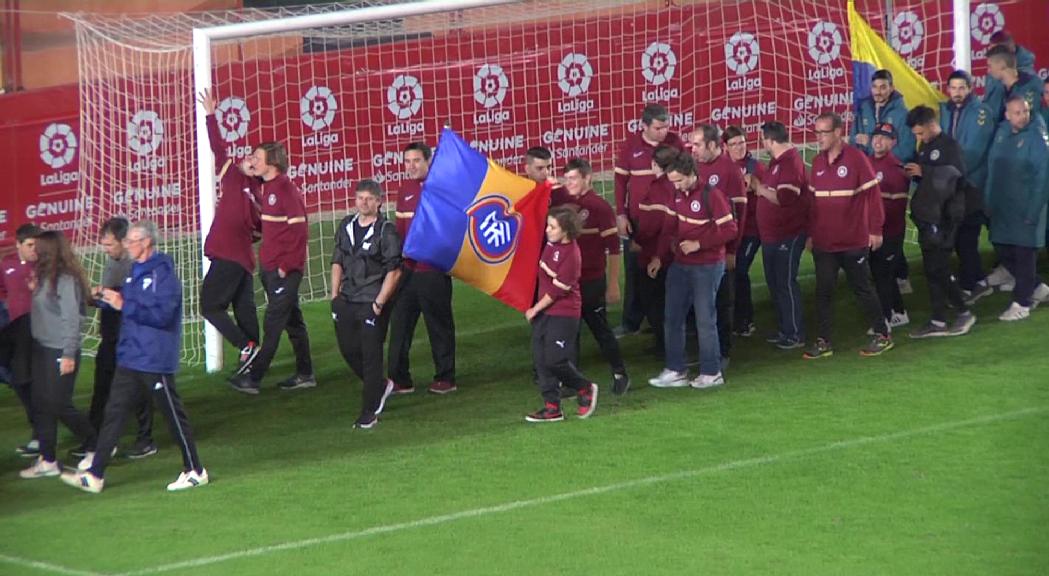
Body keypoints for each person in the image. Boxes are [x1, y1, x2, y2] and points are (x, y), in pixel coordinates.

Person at [61, 221, 208, 493]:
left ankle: (195, 470)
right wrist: (103, 298)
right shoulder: (134, 272)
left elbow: (161, 316)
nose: (127, 244)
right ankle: (95, 474)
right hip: (131, 356)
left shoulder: (164, 274)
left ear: (147, 243)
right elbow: (128, 306)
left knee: (174, 415)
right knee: (113, 413)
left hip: (154, 357)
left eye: (132, 240)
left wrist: (124, 304)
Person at [804, 112, 893, 359]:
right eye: (817, 132)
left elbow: (873, 196)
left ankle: (882, 334)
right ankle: (823, 341)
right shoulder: (817, 162)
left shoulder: (856, 159)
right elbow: (812, 202)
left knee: (862, 288)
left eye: (823, 132)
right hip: (824, 243)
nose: (818, 137)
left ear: (837, 133)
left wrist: (875, 230)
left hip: (853, 240)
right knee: (823, 291)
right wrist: (811, 233)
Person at [229, 141, 314, 394]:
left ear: (273, 162)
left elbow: (300, 232)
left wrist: (286, 266)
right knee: (293, 322)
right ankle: (305, 373)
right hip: (270, 268)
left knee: (273, 322)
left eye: (257, 156)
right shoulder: (267, 187)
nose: (252, 160)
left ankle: (254, 377)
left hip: (283, 271)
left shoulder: (285, 190)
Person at [647, 154, 737, 389]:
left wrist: (700, 244)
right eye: (672, 181)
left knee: (705, 319)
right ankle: (676, 369)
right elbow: (669, 228)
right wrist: (659, 256)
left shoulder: (712, 195)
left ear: (691, 175)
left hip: (707, 266)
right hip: (681, 265)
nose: (675, 185)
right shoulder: (676, 194)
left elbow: (729, 229)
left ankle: (711, 372)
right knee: (672, 316)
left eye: (678, 181)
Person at [19, 231, 97, 479]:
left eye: (37, 247)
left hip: (60, 349)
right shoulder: (44, 276)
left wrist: (68, 353)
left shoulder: (65, 279)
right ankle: (48, 459)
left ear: (48, 251)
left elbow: (71, 319)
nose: (33, 251)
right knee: (41, 404)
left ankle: (96, 445)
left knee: (59, 404)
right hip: (42, 348)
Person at [197, 89, 263, 375]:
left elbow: (263, 229)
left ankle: (246, 348)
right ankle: (254, 364)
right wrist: (211, 116)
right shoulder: (233, 176)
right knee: (244, 309)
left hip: (231, 256)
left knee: (209, 306)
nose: (248, 158)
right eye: (248, 155)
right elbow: (218, 146)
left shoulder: (263, 193)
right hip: (240, 259)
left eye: (254, 158)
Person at [552, 158, 630, 395]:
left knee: (600, 329)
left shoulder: (600, 208)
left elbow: (614, 248)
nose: (569, 183)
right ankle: (571, 381)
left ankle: (620, 373)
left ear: (588, 178)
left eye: (574, 178)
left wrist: (613, 283)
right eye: (567, 179)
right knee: (569, 331)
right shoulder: (565, 200)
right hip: (569, 281)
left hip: (592, 281)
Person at [80, 217, 156, 460]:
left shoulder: (136, 265)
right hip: (111, 336)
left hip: (131, 336)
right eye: (104, 245)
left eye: (110, 245)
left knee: (138, 388)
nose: (106, 250)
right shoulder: (112, 263)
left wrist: (103, 294)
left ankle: (145, 440)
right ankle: (94, 440)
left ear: (125, 242)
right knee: (102, 387)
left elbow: (132, 300)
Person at [330, 180, 403, 429]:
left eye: (369, 198)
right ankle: (381, 386)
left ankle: (369, 412)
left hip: (371, 301)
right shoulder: (346, 226)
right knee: (349, 350)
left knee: (372, 356)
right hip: (347, 300)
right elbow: (337, 260)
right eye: (360, 198)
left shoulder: (387, 231)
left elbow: (394, 271)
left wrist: (379, 303)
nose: (364, 202)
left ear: (379, 202)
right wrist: (334, 296)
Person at [387, 142, 457, 395]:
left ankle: (446, 377)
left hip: (433, 271)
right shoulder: (403, 189)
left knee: (438, 325)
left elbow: (451, 230)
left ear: (429, 162)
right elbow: (400, 229)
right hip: (407, 271)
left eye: (416, 160)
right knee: (400, 324)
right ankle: (399, 379)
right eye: (407, 161)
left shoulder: (441, 189)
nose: (411, 166)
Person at [903, 106, 976, 337]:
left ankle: (965, 312)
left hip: (946, 217)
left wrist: (924, 171)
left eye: (919, 133)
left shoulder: (949, 146)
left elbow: (957, 177)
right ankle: (938, 320)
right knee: (930, 269)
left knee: (939, 267)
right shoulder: (925, 146)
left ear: (931, 124)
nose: (918, 138)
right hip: (928, 216)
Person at [612, 104, 684, 338]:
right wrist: (621, 214)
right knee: (635, 271)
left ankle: (663, 322)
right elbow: (621, 181)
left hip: (667, 221)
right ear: (644, 126)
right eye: (658, 128)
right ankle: (631, 321)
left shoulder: (676, 142)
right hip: (638, 222)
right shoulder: (630, 146)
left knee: (667, 272)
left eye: (666, 127)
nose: (663, 132)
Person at [523, 205, 599, 422]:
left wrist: (535, 309)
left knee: (555, 360)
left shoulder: (572, 256)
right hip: (545, 311)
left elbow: (557, 291)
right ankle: (552, 407)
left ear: (565, 230)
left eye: (552, 227)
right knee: (540, 359)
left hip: (564, 313)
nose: (547, 230)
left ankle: (584, 388)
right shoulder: (551, 244)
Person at [984, 96, 1049, 322]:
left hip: (1026, 207)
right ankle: (1038, 287)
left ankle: (1022, 303)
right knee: (1002, 248)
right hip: (1003, 206)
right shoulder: (1002, 133)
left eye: (1025, 111)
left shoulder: (1037, 138)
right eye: (1017, 113)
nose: (1023, 116)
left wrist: (1033, 211)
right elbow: (992, 167)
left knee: (1024, 254)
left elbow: (1043, 178)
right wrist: (989, 200)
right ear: (1007, 115)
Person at [691, 124, 747, 369]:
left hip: (722, 250)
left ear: (713, 145)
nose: (693, 150)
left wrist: (733, 250)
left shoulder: (729, 171)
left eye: (697, 145)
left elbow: (741, 213)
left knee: (721, 302)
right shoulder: (695, 167)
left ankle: (723, 351)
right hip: (699, 250)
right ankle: (704, 350)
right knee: (699, 302)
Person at [748, 122, 808, 349]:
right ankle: (785, 329)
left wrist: (760, 189)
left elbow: (785, 198)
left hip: (788, 234)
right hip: (772, 235)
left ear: (770, 140)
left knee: (785, 282)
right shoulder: (777, 162)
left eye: (763, 140)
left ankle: (795, 334)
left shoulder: (790, 162)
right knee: (775, 283)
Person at [939, 70, 996, 302]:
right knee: (961, 237)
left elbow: (974, 151)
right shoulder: (944, 110)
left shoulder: (982, 112)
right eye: (953, 88)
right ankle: (978, 280)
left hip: (971, 185)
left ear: (971, 88)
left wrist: (948, 174)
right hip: (954, 185)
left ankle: (970, 285)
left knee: (967, 236)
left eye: (962, 88)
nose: (957, 92)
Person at [633, 145, 681, 356]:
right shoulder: (678, 185)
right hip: (675, 253)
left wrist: (639, 241)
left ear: (655, 164)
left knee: (654, 301)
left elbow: (652, 225)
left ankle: (665, 347)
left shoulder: (657, 189)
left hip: (654, 254)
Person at [0, 223, 41, 457]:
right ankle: (40, 433)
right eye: (29, 245)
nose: (34, 249)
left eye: (37, 244)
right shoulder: (7, 266)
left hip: (39, 336)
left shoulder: (44, 267)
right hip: (17, 338)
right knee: (21, 384)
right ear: (18, 245)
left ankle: (41, 437)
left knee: (37, 386)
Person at [866, 123, 910, 329]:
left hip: (889, 232)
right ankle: (899, 312)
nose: (878, 140)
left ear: (893, 142)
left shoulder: (896, 169)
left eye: (884, 137)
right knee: (880, 273)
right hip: (873, 231)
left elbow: (897, 208)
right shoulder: (866, 163)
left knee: (882, 274)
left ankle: (884, 319)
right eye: (876, 136)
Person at [723, 125, 765, 338]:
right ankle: (733, 318)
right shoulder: (722, 167)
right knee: (729, 273)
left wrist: (757, 185)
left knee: (739, 270)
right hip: (730, 230)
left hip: (751, 229)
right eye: (733, 144)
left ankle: (745, 320)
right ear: (725, 147)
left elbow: (768, 193)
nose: (739, 148)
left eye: (741, 143)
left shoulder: (755, 167)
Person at [851, 69, 916, 162]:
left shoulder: (903, 114)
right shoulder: (863, 110)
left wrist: (871, 144)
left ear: (892, 88)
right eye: (874, 87)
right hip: (867, 170)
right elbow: (854, 142)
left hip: (893, 171)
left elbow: (906, 151)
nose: (877, 92)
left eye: (883, 87)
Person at [983, 31, 1039, 119]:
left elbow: (1027, 120)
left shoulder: (1029, 81)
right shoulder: (993, 74)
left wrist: (1001, 132)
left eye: (996, 51)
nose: (988, 70)